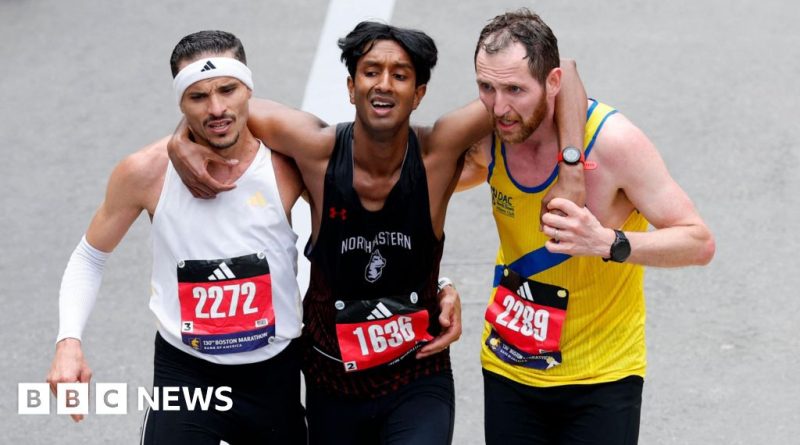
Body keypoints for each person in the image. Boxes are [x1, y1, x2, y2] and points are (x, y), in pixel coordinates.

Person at [168, 21, 588, 445]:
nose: (384, 84)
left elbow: (563, 71)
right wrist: (180, 137)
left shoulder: (438, 151)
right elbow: (220, 108)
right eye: (371, 72)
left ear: (418, 94)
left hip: (417, 377)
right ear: (351, 88)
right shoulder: (316, 150)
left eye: (400, 75)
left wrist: (571, 169)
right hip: (331, 381)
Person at [458, 9, 716, 445]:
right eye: (486, 87)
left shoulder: (614, 143)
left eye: (516, 90)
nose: (499, 107)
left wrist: (606, 241)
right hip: (509, 365)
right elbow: (414, 192)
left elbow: (698, 241)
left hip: (602, 377)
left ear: (552, 83)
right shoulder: (490, 137)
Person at [46, 30, 307, 444]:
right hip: (188, 374)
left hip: (274, 374)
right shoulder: (146, 172)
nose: (216, 108)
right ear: (180, 103)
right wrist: (68, 341)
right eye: (198, 96)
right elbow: (89, 256)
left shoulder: (288, 163)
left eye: (228, 90)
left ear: (249, 90)